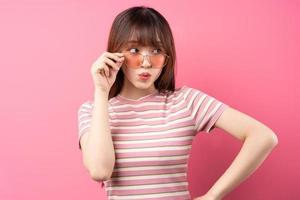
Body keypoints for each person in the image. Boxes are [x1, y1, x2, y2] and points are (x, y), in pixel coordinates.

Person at [77, 6, 278, 200]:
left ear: (167, 56)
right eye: (134, 50)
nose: (146, 62)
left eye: (156, 51)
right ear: (115, 54)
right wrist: (102, 92)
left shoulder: (185, 101)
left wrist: (213, 196)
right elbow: (100, 170)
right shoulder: (93, 111)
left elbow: (263, 137)